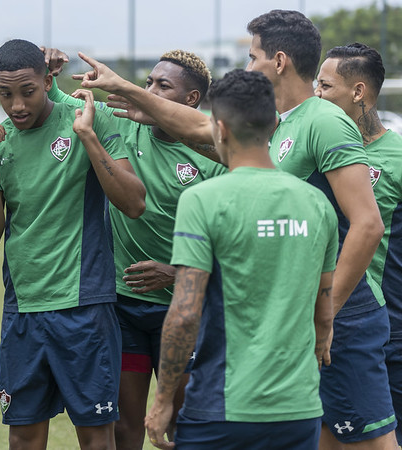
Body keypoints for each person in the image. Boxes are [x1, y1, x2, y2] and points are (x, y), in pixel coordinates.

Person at [75, 10, 395, 448]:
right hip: (304, 316)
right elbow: (210, 131)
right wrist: (137, 98)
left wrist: (326, 315)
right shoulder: (283, 122)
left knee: (373, 443)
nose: (247, 66)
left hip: (345, 315)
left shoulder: (322, 119)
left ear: (278, 61)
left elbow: (368, 225)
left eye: (252, 56)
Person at [143, 68, 337, 449]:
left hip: (222, 407)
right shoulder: (318, 204)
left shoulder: (202, 200)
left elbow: (184, 313)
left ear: (220, 129)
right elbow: (324, 310)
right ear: (275, 123)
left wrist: (164, 398)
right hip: (299, 411)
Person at [42, 47, 226, 449]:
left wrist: (179, 272)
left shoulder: (215, 155)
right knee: (124, 429)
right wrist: (49, 73)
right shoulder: (123, 123)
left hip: (186, 306)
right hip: (124, 307)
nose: (149, 90)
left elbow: (237, 243)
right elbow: (56, 104)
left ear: (191, 100)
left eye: (163, 86)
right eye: (148, 82)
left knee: (183, 425)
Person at [0, 38, 146, 450]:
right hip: (22, 309)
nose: (16, 106)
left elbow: (133, 202)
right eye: (5, 93)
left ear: (48, 80)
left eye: (27, 91)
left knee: (96, 439)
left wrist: (87, 137)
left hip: (84, 306)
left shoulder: (89, 117)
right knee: (25, 437)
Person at [315, 42, 402, 446]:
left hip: (387, 329)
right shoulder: (316, 149)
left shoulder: (397, 157)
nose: (316, 94)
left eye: (325, 85)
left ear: (358, 92)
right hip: (331, 322)